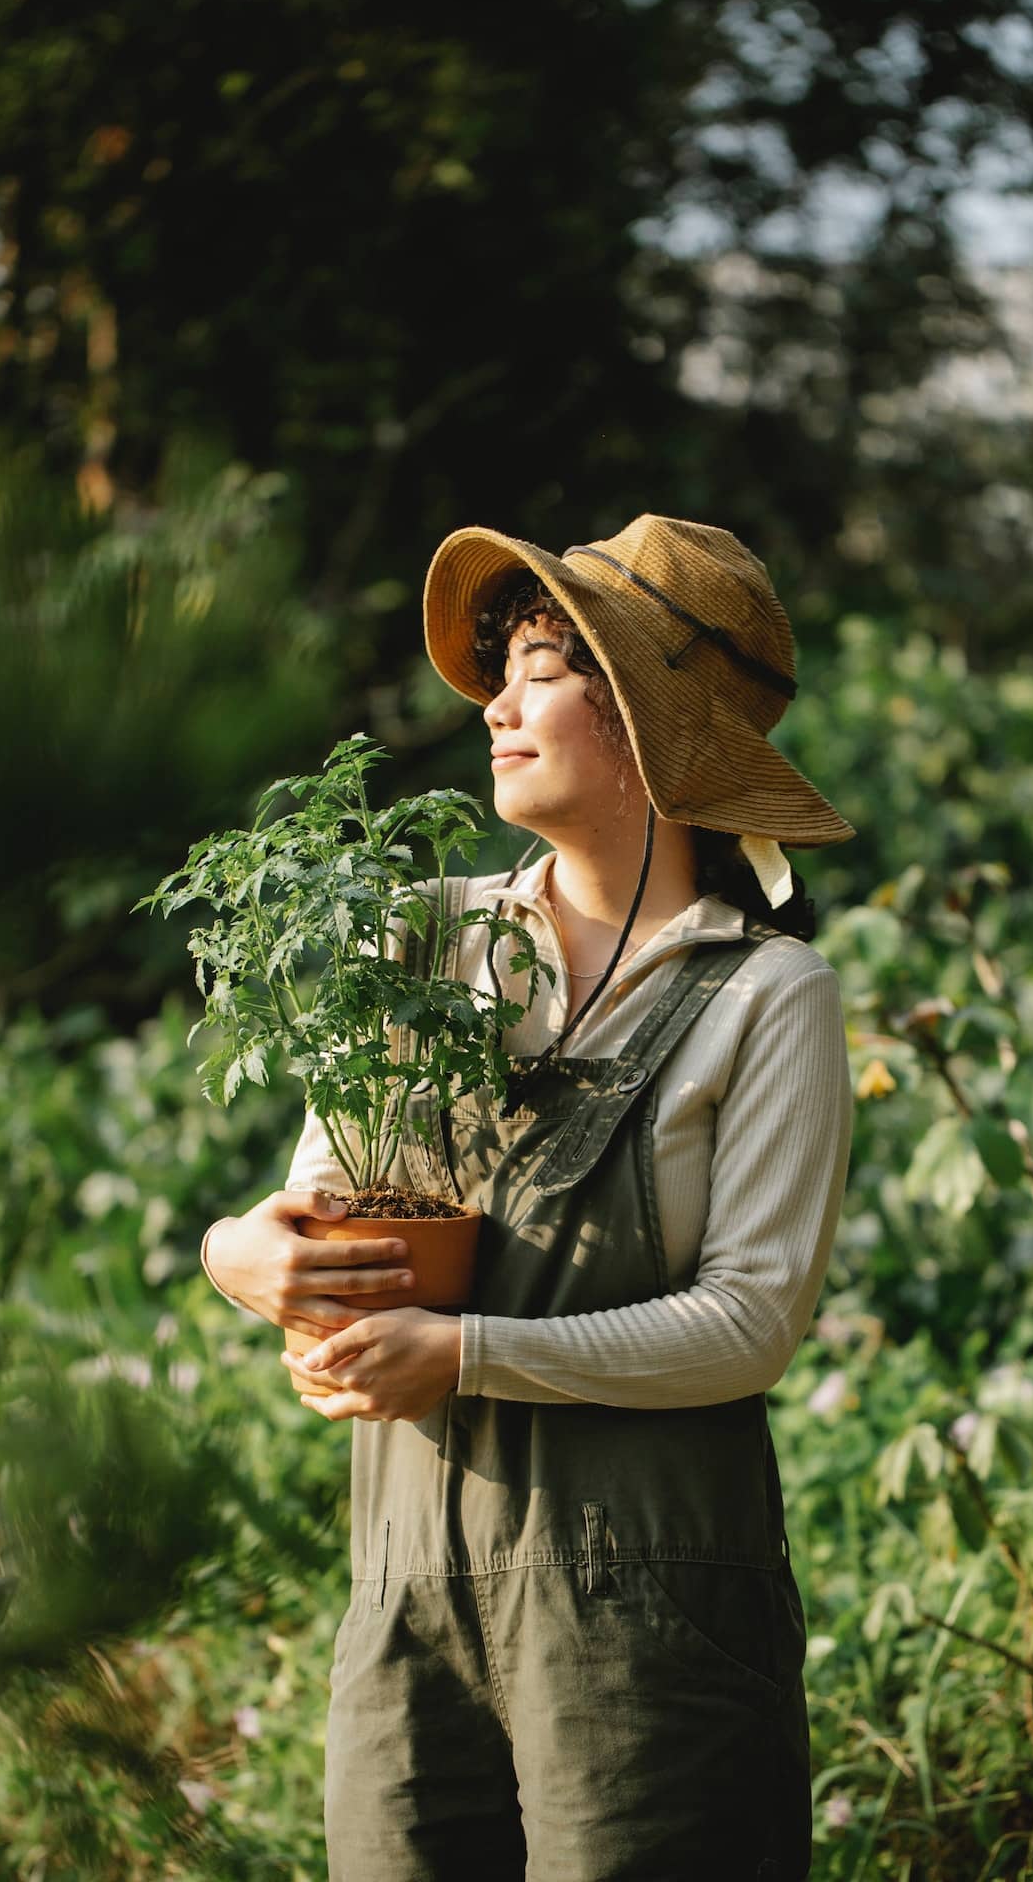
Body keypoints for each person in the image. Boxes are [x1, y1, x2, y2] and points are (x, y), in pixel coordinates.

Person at [201, 513, 855, 1882]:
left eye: (543, 664)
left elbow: (751, 1323)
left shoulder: (763, 994)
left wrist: (472, 1352)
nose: (495, 701)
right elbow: (314, 1201)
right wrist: (240, 1256)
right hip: (406, 1598)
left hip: (652, 1624)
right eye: (506, 664)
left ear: (649, 719)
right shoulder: (425, 942)